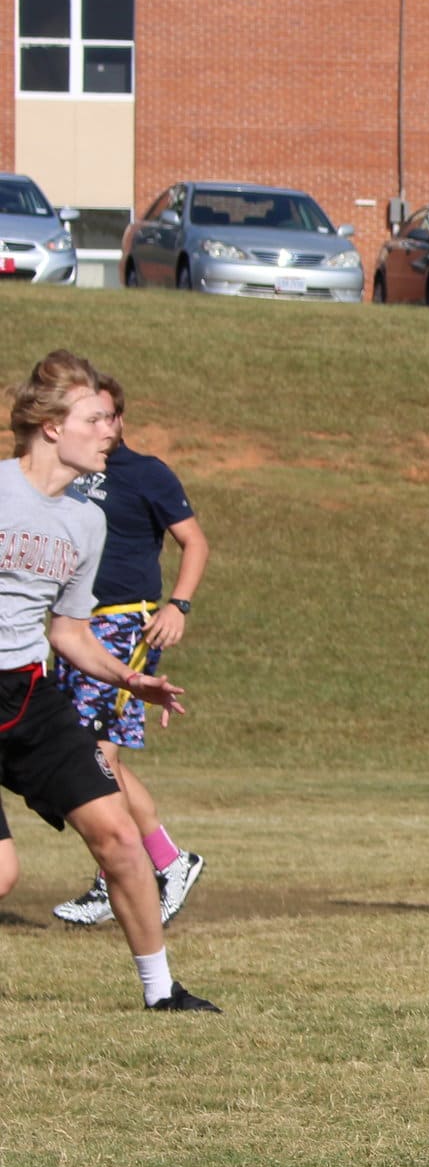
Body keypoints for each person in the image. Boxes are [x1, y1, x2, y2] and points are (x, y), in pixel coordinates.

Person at [1, 350, 212, 1010]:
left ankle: (161, 992)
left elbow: (67, 630)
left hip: (26, 694)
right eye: (95, 418)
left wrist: (130, 677)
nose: (109, 431)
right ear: (52, 425)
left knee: (120, 836)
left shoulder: (85, 520)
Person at [50, 374, 211, 927]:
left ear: (121, 418)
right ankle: (159, 861)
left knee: (98, 755)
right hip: (74, 626)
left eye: (108, 416)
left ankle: (140, 868)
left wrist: (178, 606)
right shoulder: (69, 472)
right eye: (90, 416)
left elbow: (195, 541)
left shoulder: (147, 474)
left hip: (126, 626)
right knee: (88, 753)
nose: (102, 426)